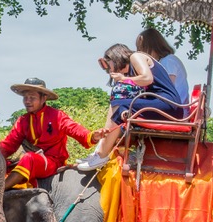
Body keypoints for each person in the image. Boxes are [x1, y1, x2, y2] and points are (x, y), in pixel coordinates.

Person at [76, 42, 187, 172]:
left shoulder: (136, 57)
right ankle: (100, 152)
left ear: (115, 57)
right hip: (160, 104)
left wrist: (123, 79)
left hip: (167, 104)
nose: (110, 70)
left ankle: (101, 155)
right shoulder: (132, 69)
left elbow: (147, 78)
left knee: (120, 104)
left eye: (109, 65)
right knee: (119, 102)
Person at [0, 78, 94, 190]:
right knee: (0, 162)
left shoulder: (57, 116)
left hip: (52, 162)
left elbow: (74, 129)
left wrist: (92, 136)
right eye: (25, 98)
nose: (27, 101)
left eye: (32, 98)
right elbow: (8, 145)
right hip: (32, 162)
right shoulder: (23, 120)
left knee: (29, 158)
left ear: (43, 98)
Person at [136, 27, 189, 95]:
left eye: (142, 48)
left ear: (152, 46)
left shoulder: (168, 61)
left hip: (174, 103)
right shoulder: (165, 61)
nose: (141, 53)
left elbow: (167, 88)